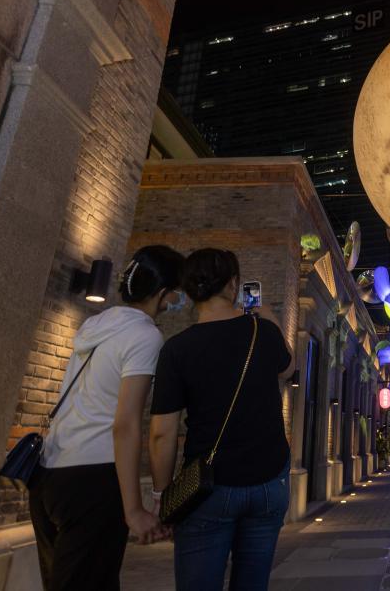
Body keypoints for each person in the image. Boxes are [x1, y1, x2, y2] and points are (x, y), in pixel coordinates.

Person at [29, 245, 185, 591]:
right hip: (94, 477)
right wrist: (134, 509)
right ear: (163, 293)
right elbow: (125, 423)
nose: (179, 300)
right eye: (177, 292)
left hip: (50, 474)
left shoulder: (95, 325)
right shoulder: (145, 336)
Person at [150, 248, 293, 591]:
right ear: (233, 285)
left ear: (188, 290)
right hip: (269, 481)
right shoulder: (263, 332)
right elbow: (288, 368)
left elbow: (161, 433)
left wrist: (162, 494)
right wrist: (266, 314)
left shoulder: (177, 349)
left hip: (208, 485)